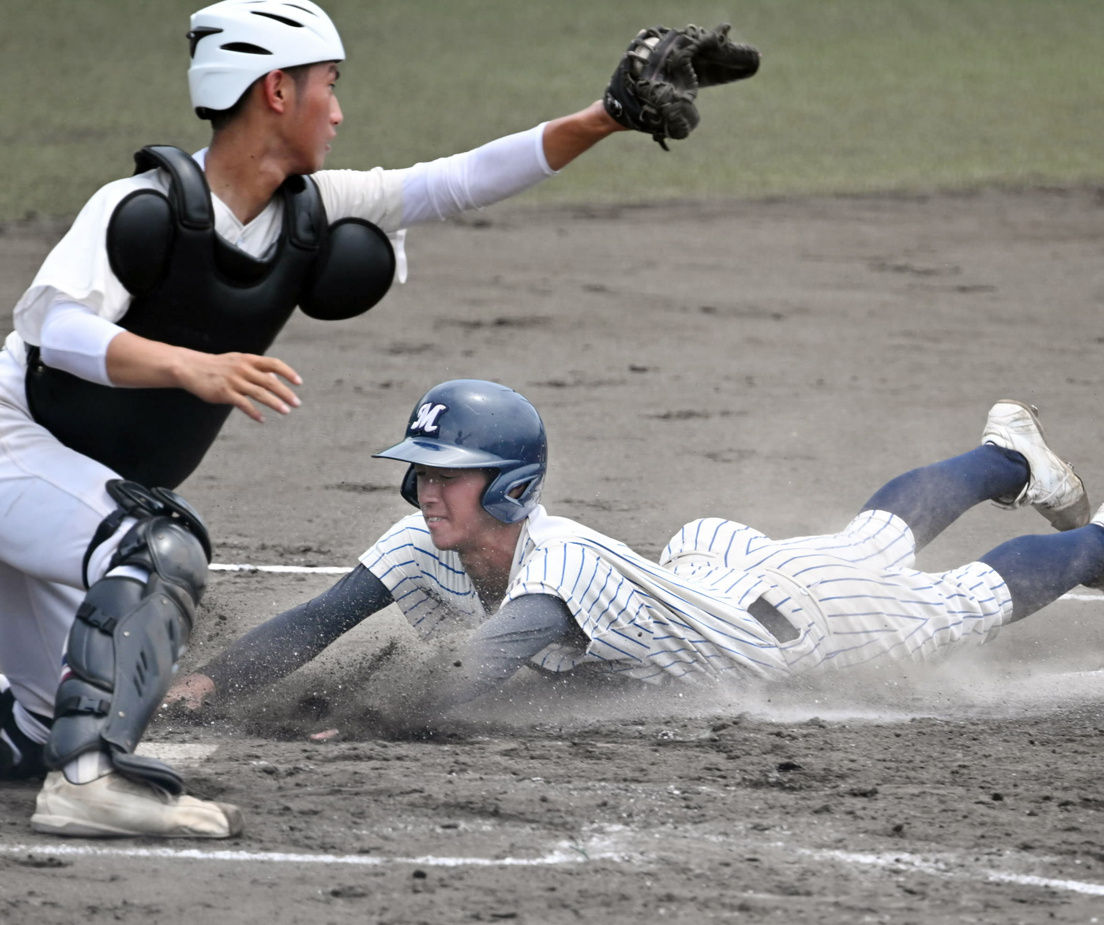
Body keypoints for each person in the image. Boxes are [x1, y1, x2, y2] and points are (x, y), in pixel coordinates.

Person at [0, 2, 758, 838]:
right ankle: (87, 785)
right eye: (329, 85)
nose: (340, 108)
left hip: (65, 490)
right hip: (15, 449)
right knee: (155, 549)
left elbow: (460, 179)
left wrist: (604, 119)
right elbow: (54, 329)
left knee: (37, 727)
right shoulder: (135, 207)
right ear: (276, 91)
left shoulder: (311, 208)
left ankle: (48, 754)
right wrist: (191, 366)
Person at [169, 380, 1104, 720]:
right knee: (871, 539)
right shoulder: (428, 535)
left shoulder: (552, 574)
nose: (429, 487)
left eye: (451, 471)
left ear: (508, 486)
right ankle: (1004, 455)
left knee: (945, 602)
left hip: (796, 626)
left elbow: (465, 671)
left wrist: (345, 718)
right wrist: (209, 684)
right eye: (424, 468)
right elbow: (320, 617)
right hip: (711, 580)